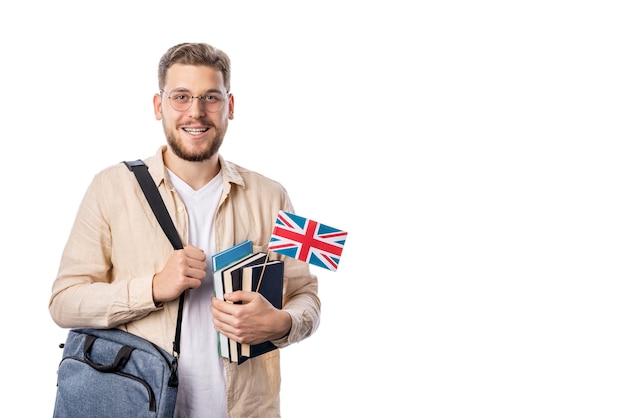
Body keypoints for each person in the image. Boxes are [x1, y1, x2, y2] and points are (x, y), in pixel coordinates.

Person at [49, 42, 321, 417]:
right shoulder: (110, 188)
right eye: (181, 97)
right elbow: (63, 302)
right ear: (159, 106)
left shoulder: (274, 196)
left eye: (211, 97)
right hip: (139, 406)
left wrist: (282, 322)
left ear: (230, 106)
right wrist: (153, 288)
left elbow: (307, 293)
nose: (196, 112)